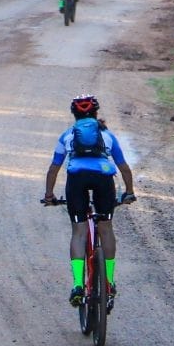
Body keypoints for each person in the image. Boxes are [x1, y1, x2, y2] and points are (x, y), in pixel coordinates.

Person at [42, 95, 136, 308]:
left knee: (79, 232)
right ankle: (109, 282)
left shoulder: (67, 136)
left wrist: (49, 196)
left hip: (77, 180)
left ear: (74, 115)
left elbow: (54, 168)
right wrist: (129, 192)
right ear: (96, 114)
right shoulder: (108, 136)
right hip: (103, 179)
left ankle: (77, 285)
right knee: (106, 229)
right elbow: (124, 167)